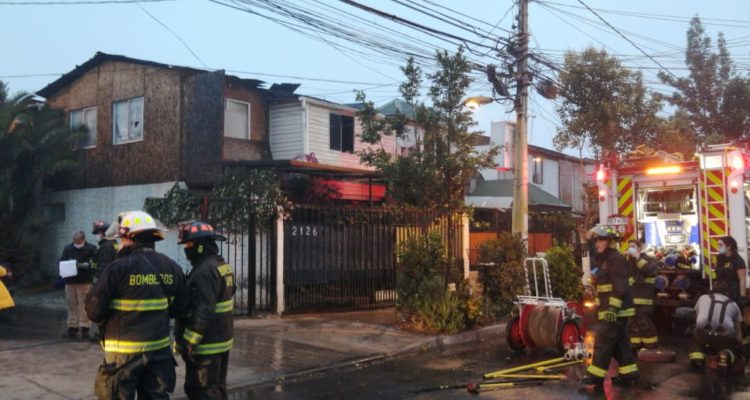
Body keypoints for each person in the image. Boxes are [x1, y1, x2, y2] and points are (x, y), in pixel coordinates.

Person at [85, 211, 188, 400]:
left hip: (123, 355)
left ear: (129, 237)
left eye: (122, 238)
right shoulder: (172, 267)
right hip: (159, 351)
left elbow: (93, 310)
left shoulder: (118, 268)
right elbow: (181, 307)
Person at [175, 221, 235, 400]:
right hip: (221, 338)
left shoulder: (204, 271)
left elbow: (204, 309)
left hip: (207, 345)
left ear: (200, 247)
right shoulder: (221, 265)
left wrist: (189, 342)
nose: (186, 249)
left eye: (188, 245)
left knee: (203, 390)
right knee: (217, 388)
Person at [581, 225, 639, 390]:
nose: (597, 243)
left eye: (601, 239)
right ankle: (630, 375)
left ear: (610, 242)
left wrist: (612, 310)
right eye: (596, 239)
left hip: (614, 311)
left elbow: (620, 288)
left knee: (603, 342)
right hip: (611, 310)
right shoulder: (605, 260)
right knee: (620, 344)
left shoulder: (616, 259)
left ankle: (595, 377)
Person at [689, 280, 743, 372]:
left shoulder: (703, 298)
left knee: (696, 334)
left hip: (703, 334)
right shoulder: (733, 304)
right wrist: (738, 343)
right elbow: (738, 329)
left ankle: (697, 359)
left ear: (712, 290)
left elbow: (698, 318)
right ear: (727, 292)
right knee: (729, 347)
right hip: (723, 337)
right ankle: (725, 357)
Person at [60, 231, 97, 339]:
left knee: (83, 304)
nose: (77, 243)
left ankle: (85, 326)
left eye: (79, 241)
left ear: (83, 239)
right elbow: (62, 261)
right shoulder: (68, 249)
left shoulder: (91, 249)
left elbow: (94, 262)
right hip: (70, 281)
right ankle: (73, 326)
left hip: (84, 281)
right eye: (75, 242)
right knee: (71, 304)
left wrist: (84, 266)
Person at [626, 240, 660, 350]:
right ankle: (635, 345)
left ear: (640, 248)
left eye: (633, 247)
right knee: (632, 324)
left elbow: (651, 271)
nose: (630, 249)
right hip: (630, 298)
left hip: (644, 298)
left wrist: (637, 257)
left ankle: (651, 345)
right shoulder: (628, 262)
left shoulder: (650, 259)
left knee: (644, 323)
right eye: (629, 247)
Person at [715, 236, 747, 306]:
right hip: (721, 291)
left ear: (729, 247)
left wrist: (742, 296)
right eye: (718, 245)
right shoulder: (720, 259)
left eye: (720, 245)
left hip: (733, 293)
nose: (718, 247)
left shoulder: (738, 260)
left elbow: (742, 278)